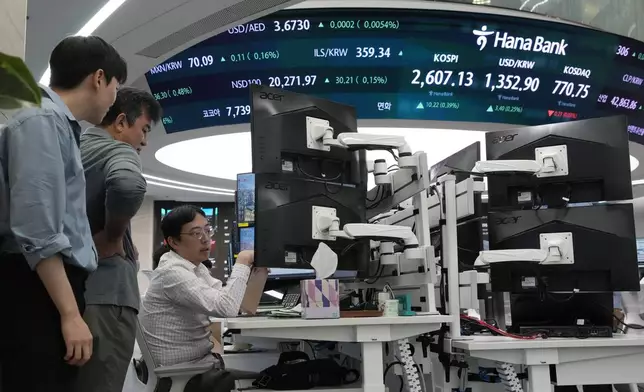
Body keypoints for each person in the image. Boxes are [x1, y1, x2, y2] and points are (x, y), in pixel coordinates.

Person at [0, 36, 126, 392]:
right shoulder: (42, 122)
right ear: (99, 78)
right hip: (36, 291)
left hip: (45, 287)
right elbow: (38, 230)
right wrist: (70, 315)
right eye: (116, 86)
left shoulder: (54, 123)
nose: (115, 98)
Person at [74, 87, 161, 392]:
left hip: (76, 295)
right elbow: (127, 186)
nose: (145, 141)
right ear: (122, 122)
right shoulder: (118, 150)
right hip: (107, 296)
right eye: (144, 130)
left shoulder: (77, 146)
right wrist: (113, 236)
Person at [140, 205, 254, 368]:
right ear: (173, 241)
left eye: (208, 230)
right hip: (183, 372)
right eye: (196, 233)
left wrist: (254, 273)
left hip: (198, 364)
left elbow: (229, 302)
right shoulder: (172, 272)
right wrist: (242, 261)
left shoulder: (195, 267)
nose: (206, 238)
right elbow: (226, 308)